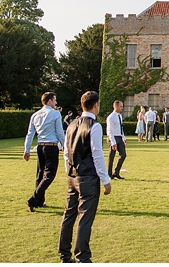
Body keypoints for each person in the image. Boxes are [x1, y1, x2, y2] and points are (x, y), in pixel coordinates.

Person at [59, 90, 112, 263]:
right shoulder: (94, 125)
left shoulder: (72, 124)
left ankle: (65, 254)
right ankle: (83, 256)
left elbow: (66, 151)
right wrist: (105, 180)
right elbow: (97, 154)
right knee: (85, 217)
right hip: (88, 177)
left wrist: (69, 169)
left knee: (69, 215)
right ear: (95, 104)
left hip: (72, 175)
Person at [24, 92, 66, 212]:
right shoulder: (55, 114)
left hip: (40, 146)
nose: (56, 102)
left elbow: (30, 133)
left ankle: (39, 201)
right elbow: (59, 132)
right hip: (51, 146)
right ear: (49, 101)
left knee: (40, 174)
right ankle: (34, 199)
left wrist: (27, 150)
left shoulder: (35, 115)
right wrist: (65, 145)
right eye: (54, 100)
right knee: (49, 175)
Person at [106, 100, 127, 180]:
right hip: (113, 137)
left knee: (123, 155)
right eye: (121, 106)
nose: (122, 108)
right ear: (116, 106)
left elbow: (120, 128)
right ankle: (109, 174)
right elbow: (109, 130)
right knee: (111, 156)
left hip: (119, 137)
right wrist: (113, 142)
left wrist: (123, 138)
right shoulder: (111, 117)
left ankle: (116, 172)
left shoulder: (119, 116)